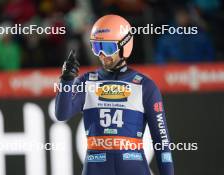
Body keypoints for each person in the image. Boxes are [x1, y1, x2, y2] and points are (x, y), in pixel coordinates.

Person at [55, 15, 174, 175]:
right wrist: (66, 80)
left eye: (108, 48)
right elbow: (62, 114)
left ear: (125, 45)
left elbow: (162, 141)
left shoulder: (145, 86)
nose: (102, 54)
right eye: (97, 47)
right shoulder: (86, 81)